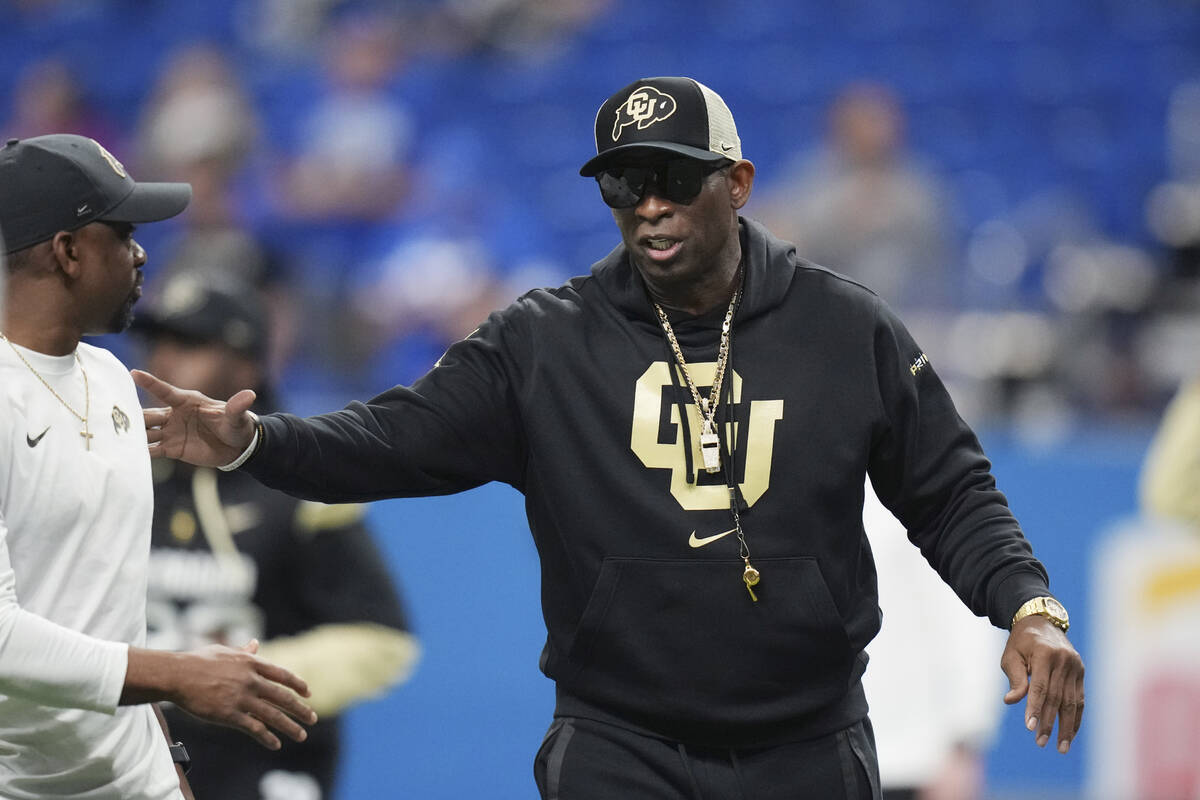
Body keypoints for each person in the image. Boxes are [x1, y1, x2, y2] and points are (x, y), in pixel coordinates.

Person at [135, 78, 1085, 799]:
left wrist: (1030, 607)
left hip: (809, 746)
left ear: (738, 183)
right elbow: (392, 439)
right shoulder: (545, 341)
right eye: (624, 184)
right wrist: (252, 443)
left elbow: (951, 492)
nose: (648, 205)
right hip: (618, 745)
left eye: (671, 178)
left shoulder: (847, 330)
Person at [0, 134, 316, 800]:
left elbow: (103, 604)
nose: (143, 254)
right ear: (68, 251)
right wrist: (177, 676)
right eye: (124, 233)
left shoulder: (113, 378)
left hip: (136, 778)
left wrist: (161, 753)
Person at [134, 275, 420, 799]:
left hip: (264, 761)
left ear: (247, 367)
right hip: (140, 755)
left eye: (191, 344)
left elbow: (381, 638)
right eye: (157, 342)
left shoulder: (304, 488)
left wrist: (241, 678)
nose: (164, 360)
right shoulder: (120, 473)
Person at [860, 481, 1004, 800]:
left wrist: (963, 744)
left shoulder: (918, 477)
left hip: (911, 757)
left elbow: (968, 615)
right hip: (819, 754)